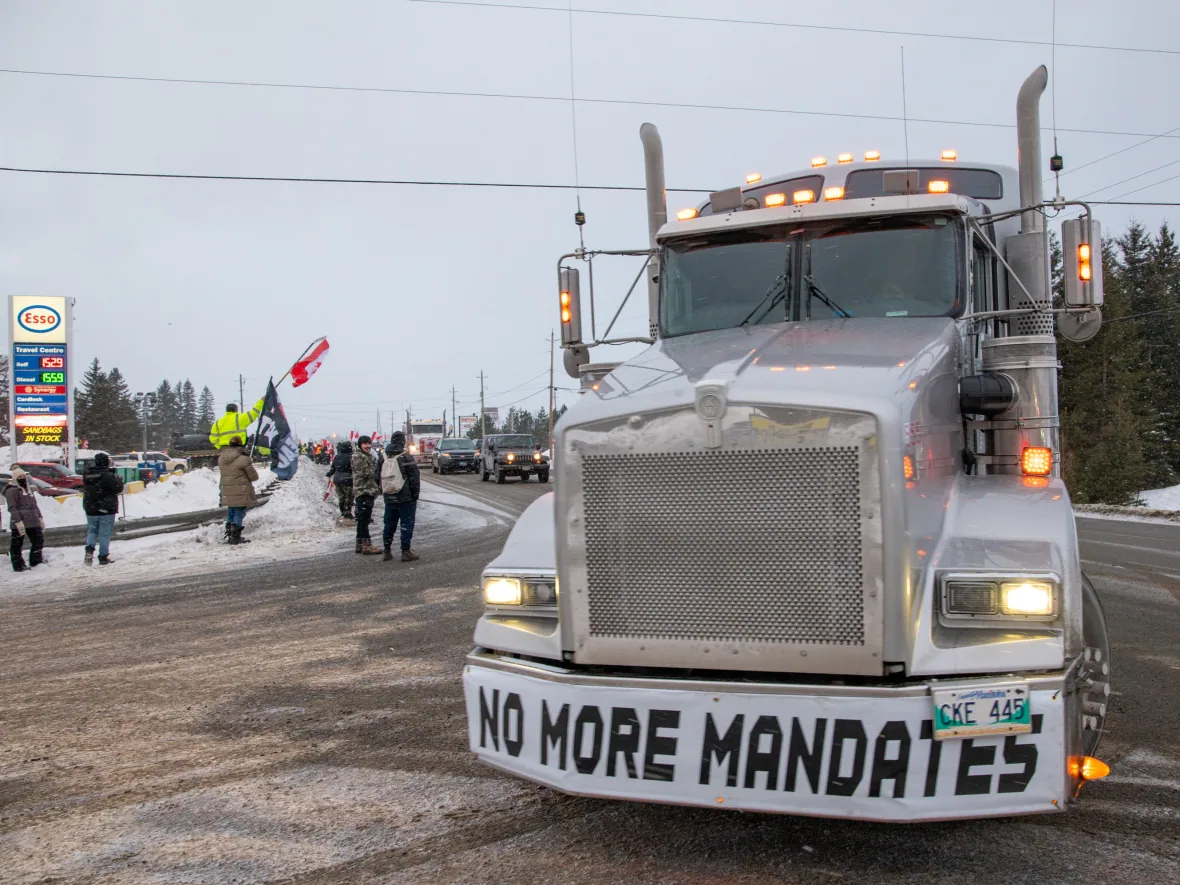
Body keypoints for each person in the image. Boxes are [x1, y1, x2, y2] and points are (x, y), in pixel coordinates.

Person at [379, 431, 421, 562]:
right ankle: (405, 551)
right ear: (403, 442)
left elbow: (377, 476)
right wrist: (415, 495)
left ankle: (387, 551)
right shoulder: (406, 457)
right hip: (405, 498)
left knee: (389, 524)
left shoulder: (383, 457)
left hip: (389, 497)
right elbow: (414, 478)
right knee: (406, 524)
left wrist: (383, 491)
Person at [82, 452, 124, 565]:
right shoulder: (107, 475)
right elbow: (117, 488)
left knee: (92, 531)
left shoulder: (87, 474)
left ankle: (89, 549)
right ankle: (103, 556)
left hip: (90, 507)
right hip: (106, 508)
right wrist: (118, 479)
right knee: (104, 534)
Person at [218, 436, 259, 545]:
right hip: (240, 490)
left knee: (231, 511)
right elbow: (254, 477)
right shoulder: (243, 459)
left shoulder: (221, 458)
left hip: (227, 491)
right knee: (239, 513)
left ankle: (230, 534)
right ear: (241, 445)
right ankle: (236, 537)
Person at [5, 467, 45, 572]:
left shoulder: (28, 489)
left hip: (33, 521)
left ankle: (36, 560)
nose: (22, 478)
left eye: (23, 476)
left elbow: (34, 505)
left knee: (38, 541)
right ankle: (18, 565)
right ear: (15, 478)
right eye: (20, 477)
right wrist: (18, 522)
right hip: (20, 522)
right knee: (17, 545)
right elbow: (12, 508)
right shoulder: (11, 491)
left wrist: (40, 518)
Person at [350, 435, 382, 555]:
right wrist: (376, 472)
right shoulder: (358, 456)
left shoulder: (365, 456)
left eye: (369, 443)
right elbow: (364, 473)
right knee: (364, 520)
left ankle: (359, 543)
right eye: (364, 443)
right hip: (364, 491)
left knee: (362, 519)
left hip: (366, 490)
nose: (368, 446)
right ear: (359, 445)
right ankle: (366, 545)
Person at [326, 440, 355, 520]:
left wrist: (329, 473)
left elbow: (333, 469)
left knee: (341, 497)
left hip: (337, 479)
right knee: (348, 497)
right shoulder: (351, 457)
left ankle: (342, 511)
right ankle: (347, 513)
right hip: (347, 480)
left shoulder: (337, 457)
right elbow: (355, 469)